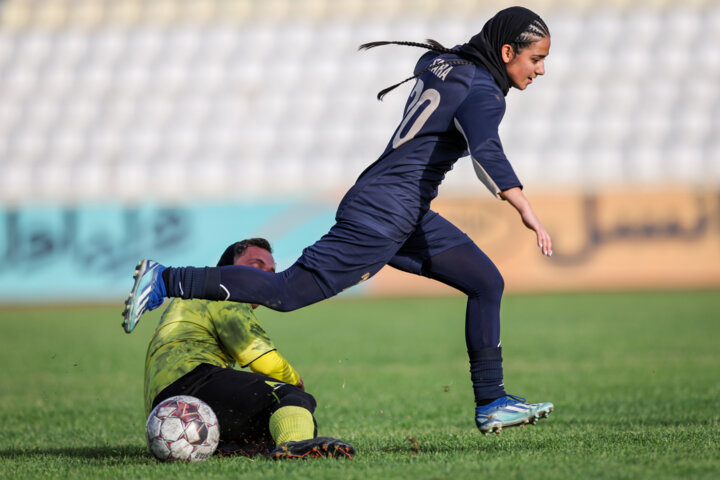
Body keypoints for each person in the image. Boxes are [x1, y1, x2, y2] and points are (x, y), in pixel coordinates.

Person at [124, 6, 554, 435]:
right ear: (505, 51)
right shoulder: (484, 92)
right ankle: (165, 280)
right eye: (536, 59)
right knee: (287, 291)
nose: (541, 70)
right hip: (386, 214)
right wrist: (525, 208)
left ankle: (492, 401)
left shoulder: (445, 65)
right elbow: (486, 153)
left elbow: (431, 63)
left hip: (398, 206)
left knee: (485, 281)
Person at [141, 238, 355, 459]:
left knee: (282, 419)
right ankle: (293, 446)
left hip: (166, 402)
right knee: (289, 398)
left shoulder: (197, 297)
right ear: (227, 269)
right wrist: (294, 384)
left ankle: (242, 449)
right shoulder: (223, 292)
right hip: (192, 380)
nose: (265, 275)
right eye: (256, 266)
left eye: (271, 271)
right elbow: (260, 357)